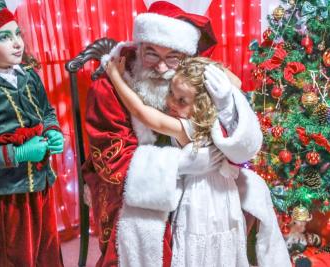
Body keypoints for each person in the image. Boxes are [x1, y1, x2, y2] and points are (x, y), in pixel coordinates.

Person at [83, 1, 290, 267]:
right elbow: (111, 163)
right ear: (138, 47)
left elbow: (235, 100)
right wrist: (177, 166)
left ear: (185, 56)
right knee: (141, 227)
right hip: (135, 181)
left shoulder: (190, 81)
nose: (161, 67)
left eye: (171, 57)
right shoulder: (108, 88)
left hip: (205, 181)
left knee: (255, 193)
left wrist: (227, 103)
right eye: (151, 54)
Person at [106, 55, 249, 266]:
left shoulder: (186, 127)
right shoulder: (218, 118)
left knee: (198, 244)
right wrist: (197, 65)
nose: (172, 102)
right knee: (221, 244)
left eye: (182, 100)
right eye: (172, 93)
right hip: (225, 192)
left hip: (200, 196)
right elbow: (236, 82)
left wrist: (115, 76)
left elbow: (141, 112)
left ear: (202, 105)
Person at [0, 1, 64, 266]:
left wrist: (53, 131)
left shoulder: (29, 75)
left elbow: (46, 112)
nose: (17, 43)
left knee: (45, 253)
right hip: (4, 197)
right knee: (13, 258)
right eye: (4, 37)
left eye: (18, 33)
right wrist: (19, 152)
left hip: (41, 185)